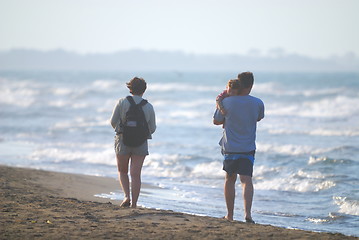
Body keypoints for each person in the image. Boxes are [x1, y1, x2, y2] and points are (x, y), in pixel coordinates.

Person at [213, 72, 264, 223]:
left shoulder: (227, 102)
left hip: (230, 147)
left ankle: (230, 215)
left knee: (230, 179)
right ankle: (247, 214)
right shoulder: (258, 102)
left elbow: (216, 121)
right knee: (246, 180)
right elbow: (259, 117)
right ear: (251, 85)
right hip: (248, 146)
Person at [110, 77, 156, 208]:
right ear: (144, 90)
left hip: (123, 140)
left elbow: (113, 122)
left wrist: (122, 131)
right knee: (136, 174)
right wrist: (140, 134)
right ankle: (134, 204)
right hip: (141, 143)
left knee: (122, 171)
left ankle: (126, 197)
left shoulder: (121, 102)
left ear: (130, 89)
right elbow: (152, 128)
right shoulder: (148, 106)